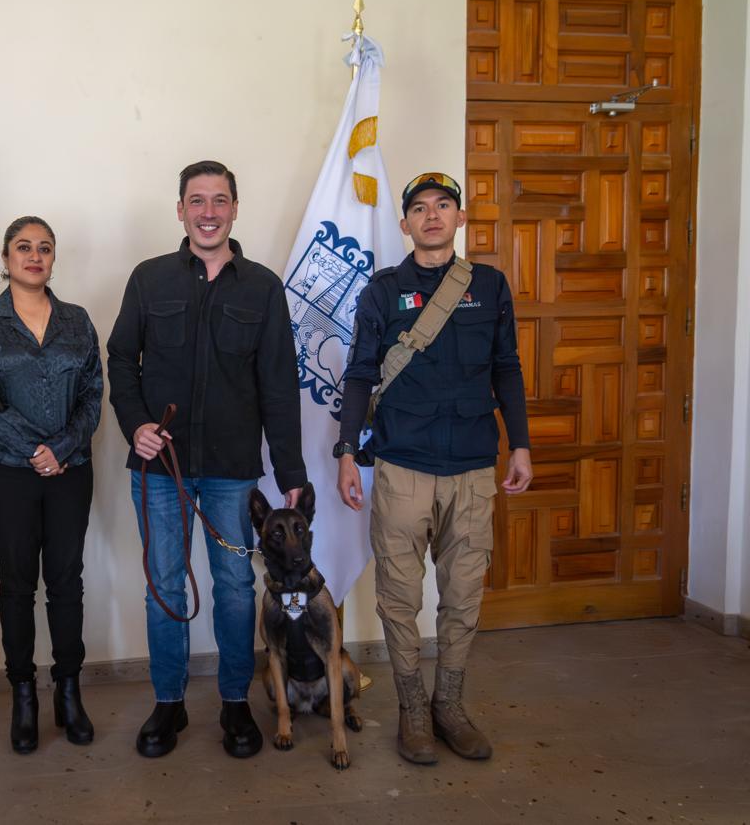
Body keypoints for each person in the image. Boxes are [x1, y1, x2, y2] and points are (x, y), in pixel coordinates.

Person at [107, 160, 306, 760]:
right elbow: (120, 361)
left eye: (220, 200)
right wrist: (135, 425)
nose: (209, 211)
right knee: (164, 588)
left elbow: (278, 384)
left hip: (232, 471)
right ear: (181, 211)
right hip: (161, 470)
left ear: (235, 209)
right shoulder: (149, 279)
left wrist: (291, 473)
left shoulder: (263, 287)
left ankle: (234, 705)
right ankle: (168, 705)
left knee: (235, 588)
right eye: (197, 200)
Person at [333, 171, 533, 765]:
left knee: (463, 594)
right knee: (398, 598)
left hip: (472, 466)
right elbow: (361, 373)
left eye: (444, 206)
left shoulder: (490, 286)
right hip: (403, 466)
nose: (432, 216)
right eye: (420, 209)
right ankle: (412, 710)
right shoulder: (384, 290)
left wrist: (518, 443)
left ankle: (450, 704)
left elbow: (508, 368)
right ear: (405, 224)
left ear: (460, 218)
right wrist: (347, 450)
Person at [0, 216, 103, 754]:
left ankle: (70, 690)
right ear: (5, 257)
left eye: (44, 248)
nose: (34, 256)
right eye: (24, 247)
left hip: (71, 472)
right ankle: (23, 695)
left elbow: (94, 392)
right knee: (17, 582)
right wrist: (33, 450)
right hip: (7, 473)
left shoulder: (77, 320)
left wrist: (60, 449)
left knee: (67, 580)